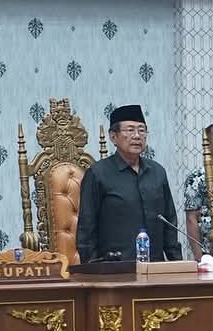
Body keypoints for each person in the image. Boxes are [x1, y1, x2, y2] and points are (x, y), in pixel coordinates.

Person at [77, 104, 182, 262]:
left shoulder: (157, 172)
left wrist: (178, 266)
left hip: (156, 268)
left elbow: (169, 223)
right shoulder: (98, 174)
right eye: (130, 130)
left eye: (142, 130)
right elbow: (86, 228)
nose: (137, 136)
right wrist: (93, 270)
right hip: (115, 269)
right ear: (113, 137)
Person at [182, 122, 213, 259]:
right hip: (210, 252)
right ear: (207, 142)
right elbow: (191, 219)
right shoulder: (197, 177)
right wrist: (199, 257)